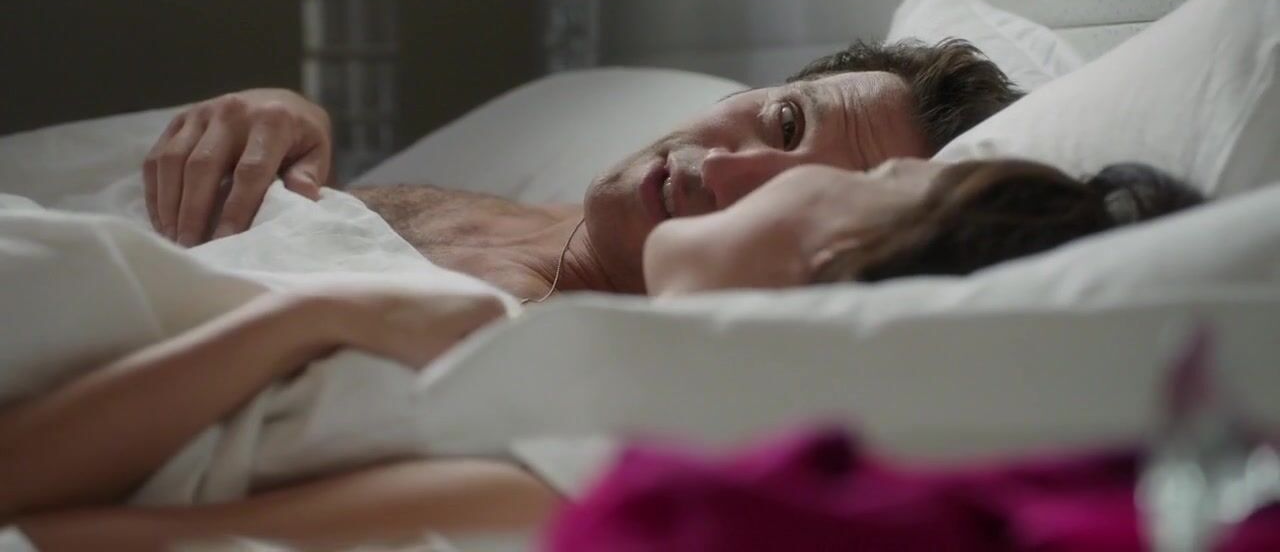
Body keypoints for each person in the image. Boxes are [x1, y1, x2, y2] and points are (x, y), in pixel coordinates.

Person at [4, 156, 1202, 549]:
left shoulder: (565, 461)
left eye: (887, 175)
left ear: (848, 264)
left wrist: (315, 318)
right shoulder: (559, 367)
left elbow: (36, 516)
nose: (762, 169)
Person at [142, 39, 1022, 301]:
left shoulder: (523, 339)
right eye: (785, 122)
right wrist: (288, 117)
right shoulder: (531, 213)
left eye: (796, 191)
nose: (729, 169)